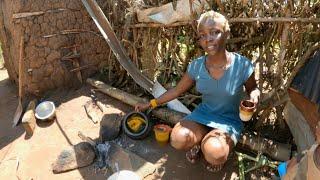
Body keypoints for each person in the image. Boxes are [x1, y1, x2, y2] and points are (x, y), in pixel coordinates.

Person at [135, 10, 260, 172]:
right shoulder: (196, 66)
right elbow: (176, 91)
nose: (208, 39)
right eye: (203, 35)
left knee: (215, 153)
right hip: (203, 115)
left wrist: (254, 97)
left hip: (228, 120)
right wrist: (150, 104)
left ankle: (208, 148)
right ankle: (201, 143)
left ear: (227, 34)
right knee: (177, 139)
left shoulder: (242, 65)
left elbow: (253, 89)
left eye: (215, 32)